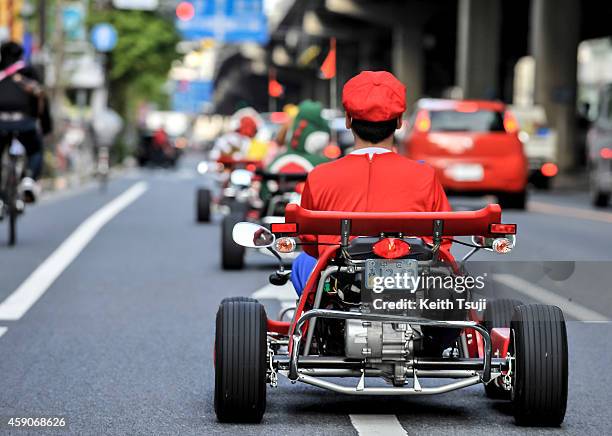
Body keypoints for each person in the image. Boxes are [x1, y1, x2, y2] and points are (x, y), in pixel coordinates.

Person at [290, 71, 451, 296]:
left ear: (348, 120)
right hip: (410, 280)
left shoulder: (319, 176)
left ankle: (311, 325)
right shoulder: (424, 175)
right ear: (398, 121)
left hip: (339, 281)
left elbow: (309, 242)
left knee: (302, 263)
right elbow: (442, 243)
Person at [0, 41, 52, 202]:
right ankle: (29, 180)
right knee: (35, 150)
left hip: (0, 123)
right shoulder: (29, 72)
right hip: (25, 123)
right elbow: (41, 100)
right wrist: (45, 127)